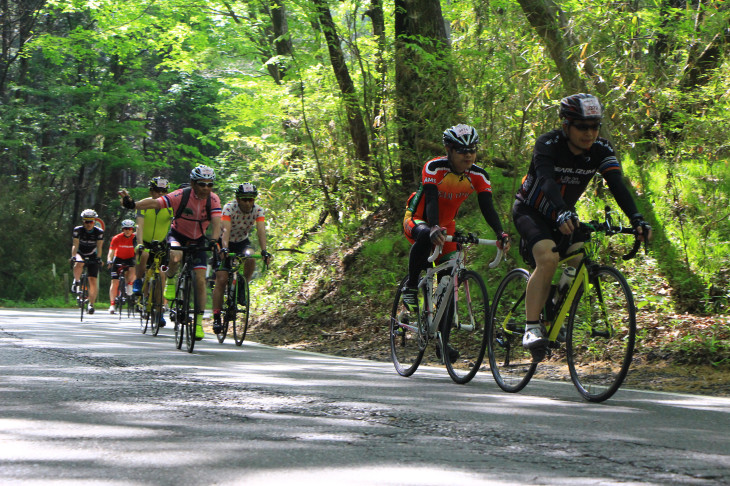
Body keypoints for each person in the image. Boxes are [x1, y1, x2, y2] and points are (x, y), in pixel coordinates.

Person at [513, 93, 652, 350]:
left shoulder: (601, 149)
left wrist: (637, 218)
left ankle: (553, 305)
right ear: (566, 125)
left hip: (565, 213)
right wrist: (561, 211)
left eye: (595, 126)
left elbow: (617, 185)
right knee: (548, 258)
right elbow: (546, 181)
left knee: (579, 262)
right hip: (532, 211)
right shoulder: (548, 143)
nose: (590, 133)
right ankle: (531, 327)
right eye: (582, 127)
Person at [402, 124, 511, 362]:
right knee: (423, 236)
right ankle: (410, 286)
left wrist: (500, 233)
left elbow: (487, 206)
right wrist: (432, 228)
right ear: (449, 150)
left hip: (446, 225)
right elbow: (431, 200)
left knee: (449, 283)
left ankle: (443, 343)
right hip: (420, 218)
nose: (468, 155)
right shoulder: (434, 168)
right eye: (462, 150)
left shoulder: (479, 175)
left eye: (472, 149)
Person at [120, 165, 222, 340]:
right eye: (201, 184)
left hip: (198, 238)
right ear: (192, 183)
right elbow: (155, 202)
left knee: (200, 280)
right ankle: (172, 279)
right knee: (175, 255)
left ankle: (198, 324)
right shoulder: (181, 195)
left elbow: (217, 222)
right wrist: (133, 205)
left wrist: (213, 240)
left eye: (209, 184)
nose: (206, 188)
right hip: (178, 235)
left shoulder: (213, 199)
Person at [211, 183, 272, 334]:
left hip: (241, 241)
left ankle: (243, 285)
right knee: (222, 279)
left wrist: (264, 251)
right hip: (224, 241)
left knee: (250, 257)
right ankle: (217, 316)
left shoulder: (258, 210)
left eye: (251, 200)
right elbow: (225, 230)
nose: (247, 203)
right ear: (237, 199)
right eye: (244, 199)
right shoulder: (229, 208)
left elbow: (261, 231)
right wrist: (224, 248)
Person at [70, 209, 105, 314]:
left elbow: (99, 246)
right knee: (79, 262)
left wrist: (99, 258)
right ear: (83, 221)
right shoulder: (78, 230)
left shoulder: (99, 232)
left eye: (91, 221)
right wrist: (73, 256)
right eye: (86, 221)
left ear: (94, 221)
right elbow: (75, 244)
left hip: (92, 254)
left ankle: (91, 304)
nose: (89, 224)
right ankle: (76, 281)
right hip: (80, 252)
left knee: (93, 281)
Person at [106, 219, 137, 314]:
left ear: (132, 229)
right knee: (114, 282)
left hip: (130, 258)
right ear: (123, 229)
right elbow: (111, 251)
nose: (128, 230)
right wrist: (109, 260)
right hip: (118, 258)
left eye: (130, 228)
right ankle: (112, 305)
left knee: (133, 269)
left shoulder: (135, 237)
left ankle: (130, 284)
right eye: (126, 228)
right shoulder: (116, 238)